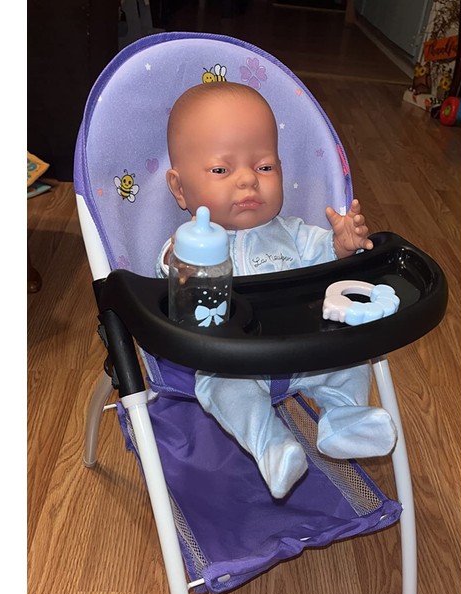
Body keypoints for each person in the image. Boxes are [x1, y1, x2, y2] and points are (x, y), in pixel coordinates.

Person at [157, 81, 397, 498]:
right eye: (221, 170)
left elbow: (327, 257)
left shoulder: (294, 233)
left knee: (352, 356)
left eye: (265, 167)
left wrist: (342, 244)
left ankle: (344, 420)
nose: (248, 180)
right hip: (233, 364)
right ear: (179, 189)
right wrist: (182, 257)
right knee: (221, 388)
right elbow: (167, 280)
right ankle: (273, 448)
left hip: (307, 354)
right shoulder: (187, 245)